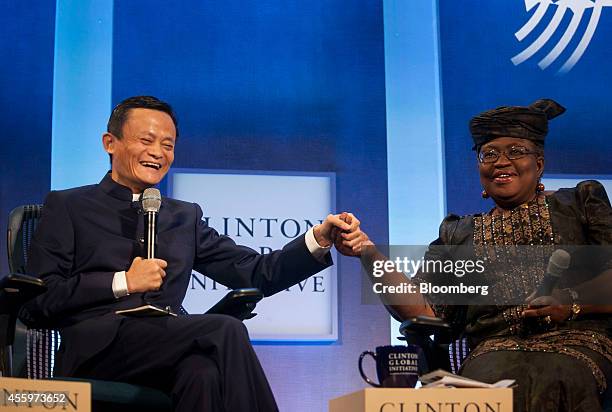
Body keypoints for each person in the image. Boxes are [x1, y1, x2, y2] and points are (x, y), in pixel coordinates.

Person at [20, 95, 367, 412]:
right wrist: (122, 282)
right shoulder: (69, 205)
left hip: (166, 345)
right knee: (224, 330)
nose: (158, 152)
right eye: (146, 140)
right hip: (98, 351)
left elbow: (254, 271)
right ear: (110, 143)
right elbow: (38, 303)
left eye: (167, 145)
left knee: (201, 372)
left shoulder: (182, 216)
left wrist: (318, 239)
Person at [360, 99, 612, 411]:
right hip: (494, 352)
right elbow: (422, 307)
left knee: (558, 376)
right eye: (489, 154)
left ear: (540, 163)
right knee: (492, 381)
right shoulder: (458, 233)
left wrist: (570, 300)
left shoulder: (578, 205)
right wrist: (366, 251)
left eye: (516, 151)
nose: (501, 162)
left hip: (578, 342)